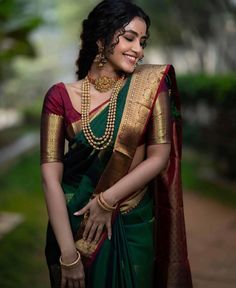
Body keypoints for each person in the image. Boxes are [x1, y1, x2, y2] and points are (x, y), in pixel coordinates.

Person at [40, 0, 192, 287]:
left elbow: (159, 157)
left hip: (133, 217)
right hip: (75, 223)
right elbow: (50, 179)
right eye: (130, 38)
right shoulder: (59, 97)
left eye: (143, 41)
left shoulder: (150, 86)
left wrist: (107, 201)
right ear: (102, 39)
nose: (139, 50)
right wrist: (69, 256)